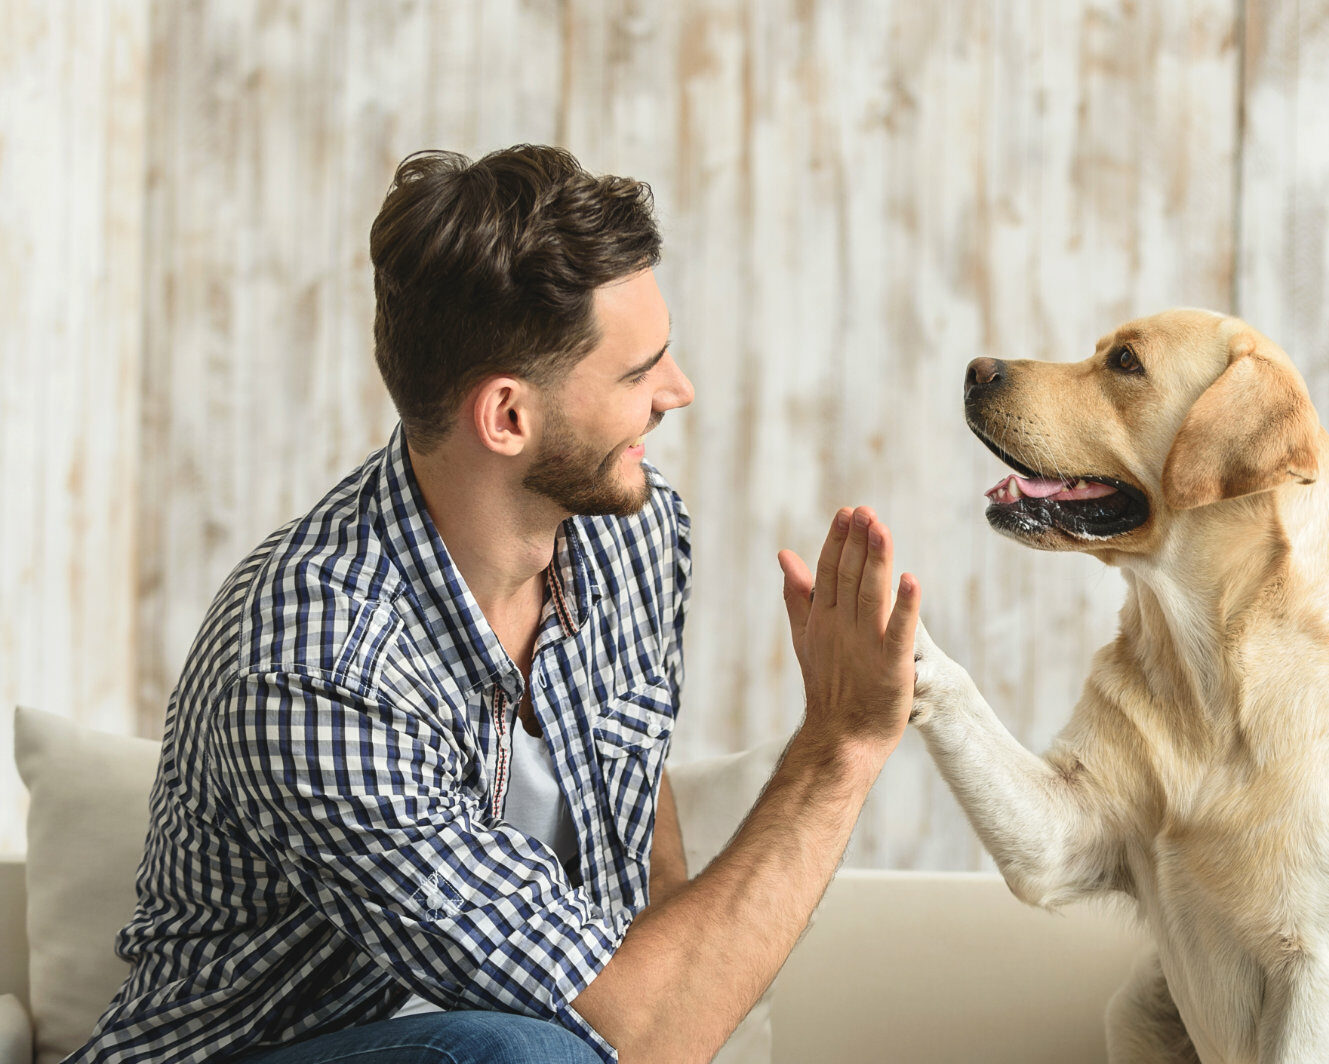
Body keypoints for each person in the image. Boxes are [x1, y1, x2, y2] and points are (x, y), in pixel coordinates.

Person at [68, 145, 921, 1064]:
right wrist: (842, 743)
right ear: (508, 417)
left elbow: (645, 878)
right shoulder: (314, 660)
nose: (679, 392)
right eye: (639, 373)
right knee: (517, 1055)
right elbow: (638, 1029)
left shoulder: (631, 532)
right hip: (256, 1051)